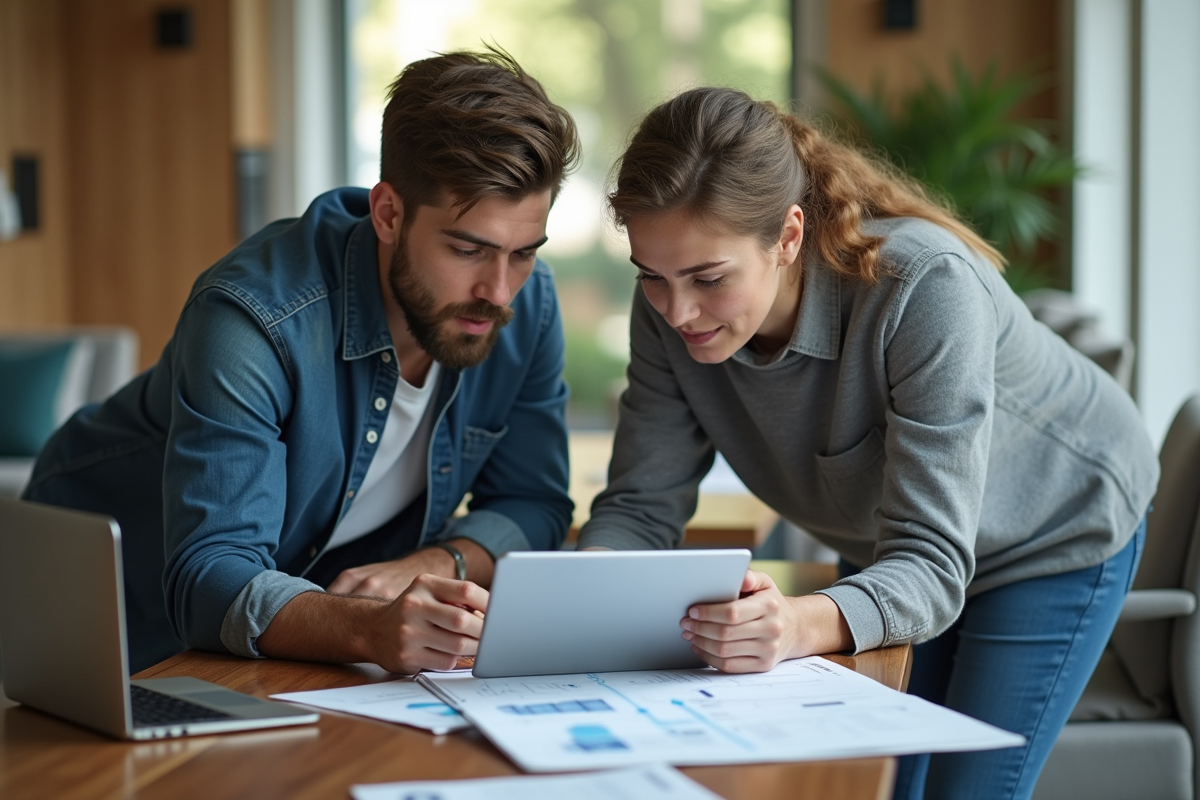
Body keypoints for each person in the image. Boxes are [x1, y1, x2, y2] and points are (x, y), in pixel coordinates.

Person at [576, 86, 1158, 800]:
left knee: (964, 793)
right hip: (896, 545)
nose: (678, 311)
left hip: (1055, 524)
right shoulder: (668, 306)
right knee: (879, 784)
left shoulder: (922, 288)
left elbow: (933, 563)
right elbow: (639, 507)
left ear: (787, 237)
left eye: (708, 278)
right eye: (654, 278)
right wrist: (575, 603)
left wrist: (792, 624)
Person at [24, 48, 580, 676]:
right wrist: (367, 628)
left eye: (523, 252)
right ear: (389, 213)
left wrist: (430, 564)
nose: (499, 290)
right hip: (119, 604)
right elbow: (212, 574)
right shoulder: (251, 320)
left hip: (298, 627)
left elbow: (535, 503)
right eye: (468, 249)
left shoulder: (525, 305)